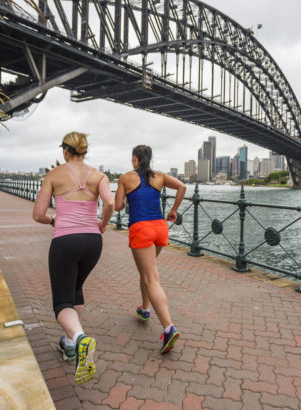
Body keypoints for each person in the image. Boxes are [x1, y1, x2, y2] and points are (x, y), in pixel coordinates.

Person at [33, 132, 114, 384]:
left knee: (61, 302)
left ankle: (80, 339)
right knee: (76, 288)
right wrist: (102, 223)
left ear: (65, 151)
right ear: (84, 151)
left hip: (65, 240)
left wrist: (53, 219)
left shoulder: (54, 175)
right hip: (93, 241)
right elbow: (110, 203)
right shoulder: (99, 176)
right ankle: (69, 344)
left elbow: (38, 214)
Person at [115, 145, 186, 354]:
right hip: (160, 228)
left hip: (142, 229)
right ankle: (145, 309)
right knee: (146, 272)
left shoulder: (126, 178)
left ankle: (168, 327)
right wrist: (173, 211)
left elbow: (118, 206)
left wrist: (126, 196)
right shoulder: (160, 176)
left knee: (151, 278)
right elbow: (182, 187)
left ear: (135, 159)